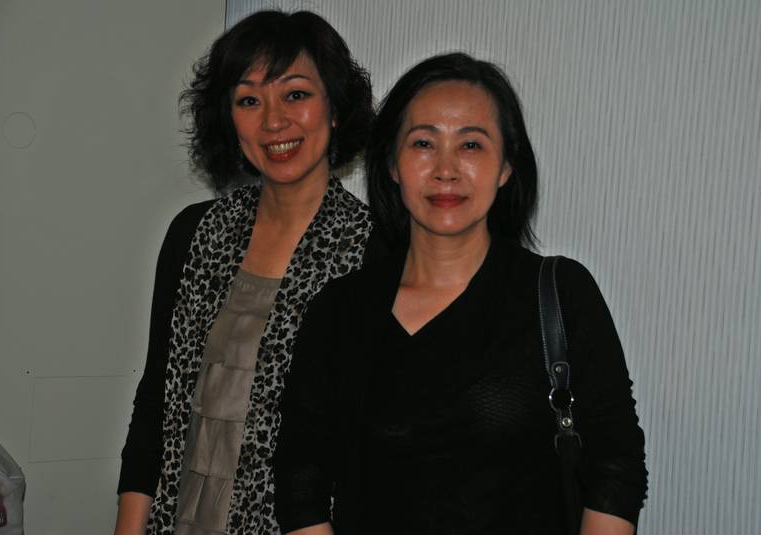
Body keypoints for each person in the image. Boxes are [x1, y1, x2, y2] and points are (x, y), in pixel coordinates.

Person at [274, 53, 648, 535]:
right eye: (423, 143)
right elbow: (300, 479)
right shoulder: (340, 310)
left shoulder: (560, 294)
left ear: (506, 166)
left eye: (471, 144)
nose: (445, 169)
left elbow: (616, 465)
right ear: (392, 163)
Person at [115, 10, 379, 535]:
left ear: (334, 108)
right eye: (249, 100)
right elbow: (155, 399)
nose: (273, 121)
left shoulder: (377, 252)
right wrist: (128, 526)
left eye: (295, 94)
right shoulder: (194, 233)